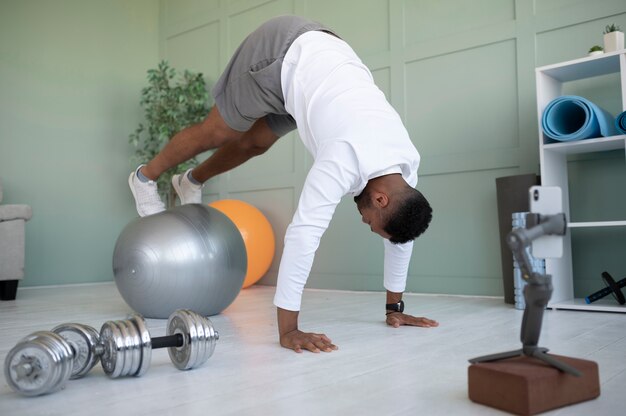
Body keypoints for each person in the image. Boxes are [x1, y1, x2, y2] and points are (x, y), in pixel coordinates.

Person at [128, 15, 438, 354]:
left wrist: (395, 309)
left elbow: (399, 241)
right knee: (219, 131)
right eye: (372, 225)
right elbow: (303, 235)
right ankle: (145, 177)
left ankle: (190, 180)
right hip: (282, 52)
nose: (366, 224)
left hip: (316, 72)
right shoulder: (344, 156)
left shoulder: (405, 166)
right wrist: (288, 330)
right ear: (380, 200)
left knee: (255, 143)